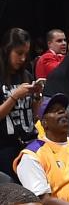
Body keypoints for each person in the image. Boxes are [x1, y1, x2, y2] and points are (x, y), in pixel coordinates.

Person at [13, 94, 69, 205]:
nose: (62, 112)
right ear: (44, 123)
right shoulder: (32, 154)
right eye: (55, 110)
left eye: (63, 109)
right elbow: (43, 201)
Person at [0, 29, 41, 178]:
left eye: (26, 54)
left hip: (30, 143)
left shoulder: (26, 75)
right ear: (7, 50)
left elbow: (34, 116)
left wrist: (37, 96)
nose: (23, 58)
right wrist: (14, 96)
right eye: (19, 53)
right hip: (6, 145)